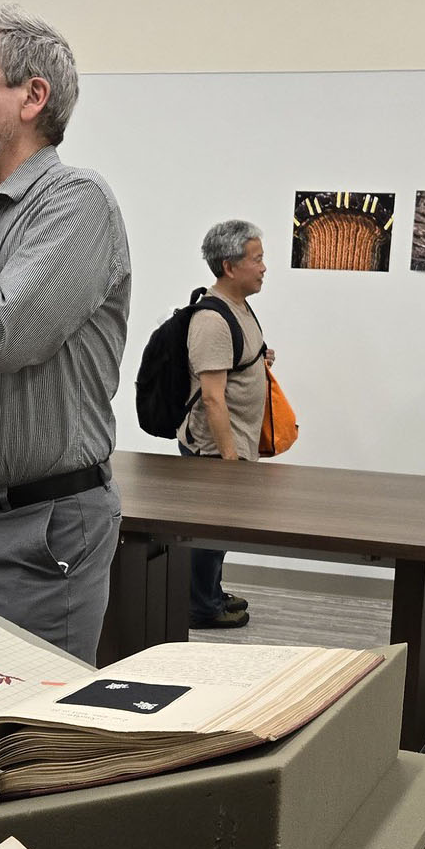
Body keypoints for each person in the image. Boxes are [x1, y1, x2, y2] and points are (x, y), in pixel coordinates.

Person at [0, 5, 130, 664]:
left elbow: (4, 338)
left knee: (27, 740)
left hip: (36, 534)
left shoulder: (76, 201)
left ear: (32, 96)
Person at [175, 220, 273, 628]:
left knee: (217, 534)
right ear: (230, 267)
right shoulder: (212, 320)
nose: (264, 267)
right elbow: (213, 397)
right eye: (257, 258)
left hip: (233, 444)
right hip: (216, 449)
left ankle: (209, 593)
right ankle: (200, 607)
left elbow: (235, 365)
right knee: (207, 535)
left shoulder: (240, 308)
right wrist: (229, 459)